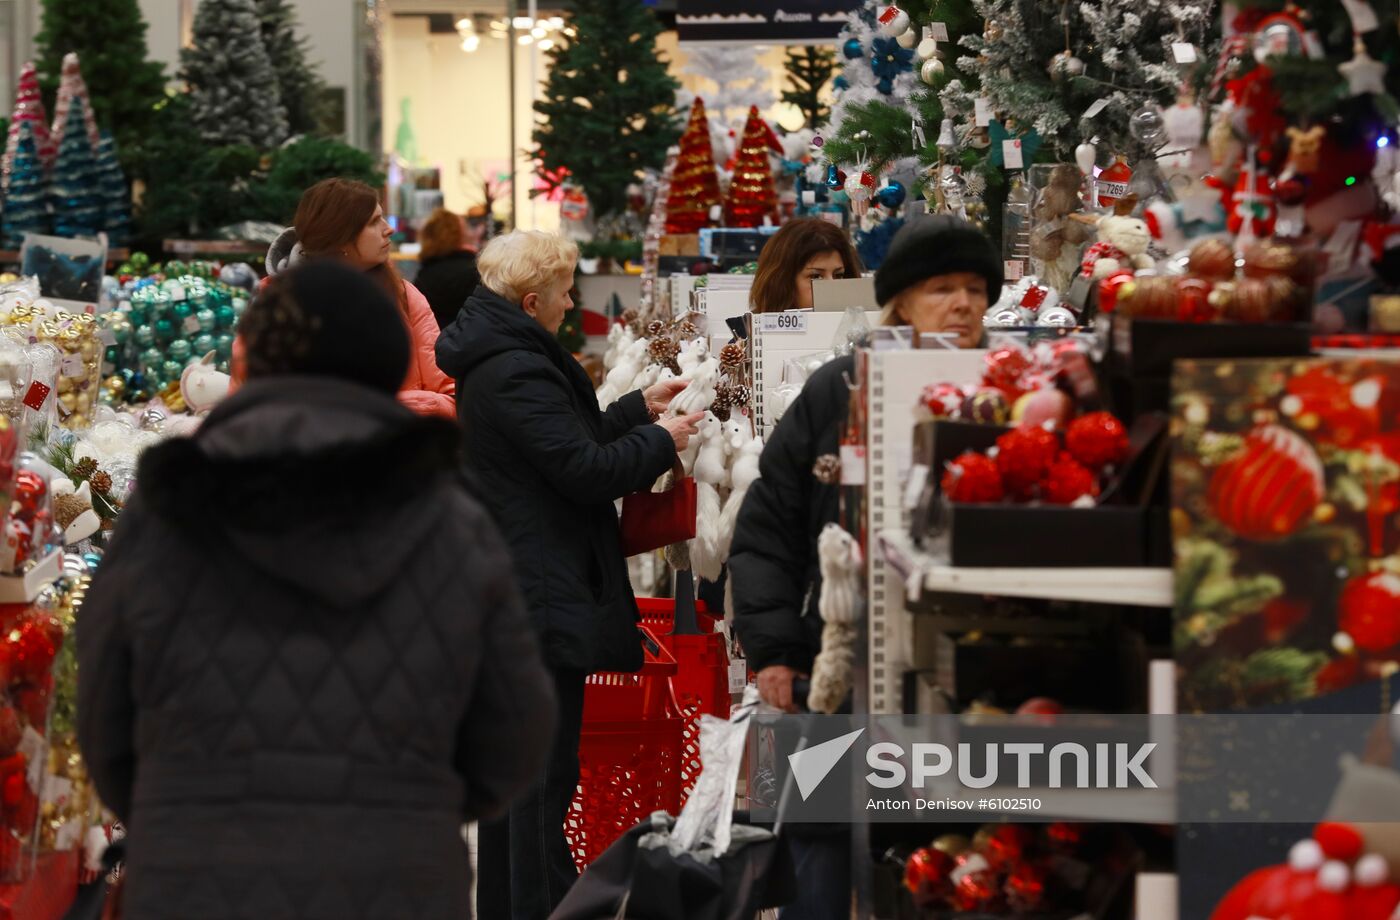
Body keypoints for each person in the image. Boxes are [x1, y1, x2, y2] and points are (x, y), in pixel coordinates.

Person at [76, 261, 557, 920]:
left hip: (194, 879)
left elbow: (103, 722)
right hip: (398, 880)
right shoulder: (450, 520)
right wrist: (413, 801)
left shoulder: (162, 513)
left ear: (251, 359)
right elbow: (514, 735)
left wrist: (180, 805)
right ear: (389, 364)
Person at [728, 216, 1001, 919]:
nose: (964, 304)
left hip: (960, 677)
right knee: (816, 846)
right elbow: (768, 531)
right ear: (902, 302)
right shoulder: (838, 390)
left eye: (976, 288)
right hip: (833, 663)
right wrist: (775, 651)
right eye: (943, 288)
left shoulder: (1011, 392)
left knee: (930, 857)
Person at [436, 230, 703, 920]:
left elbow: (563, 443)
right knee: (539, 791)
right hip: (536, 596)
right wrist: (660, 440)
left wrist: (636, 410)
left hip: (521, 586)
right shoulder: (515, 369)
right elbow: (583, 473)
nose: (570, 306)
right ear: (531, 300)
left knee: (518, 790)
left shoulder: (505, 353)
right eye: (563, 295)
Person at [251, 177, 457, 418]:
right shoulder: (274, 302)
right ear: (341, 238)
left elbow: (450, 395)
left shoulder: (404, 295)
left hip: (399, 449)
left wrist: (402, 407)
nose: (388, 228)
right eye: (373, 221)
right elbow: (254, 407)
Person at [749, 217, 863, 314]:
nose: (831, 287)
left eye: (838, 276)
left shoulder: (862, 333)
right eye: (816, 277)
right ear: (783, 281)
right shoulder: (750, 335)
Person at [416, 207, 484, 330]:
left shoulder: (423, 274)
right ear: (457, 235)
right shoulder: (473, 272)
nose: (471, 232)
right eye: (467, 228)